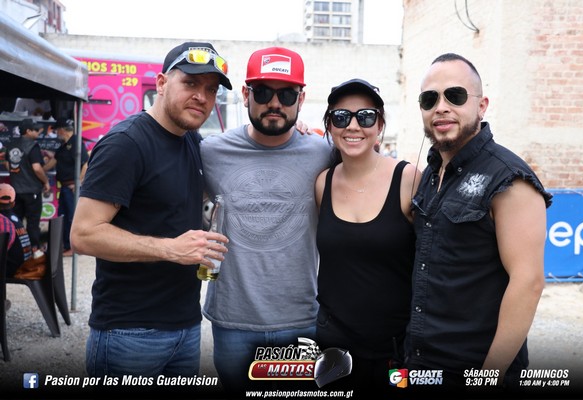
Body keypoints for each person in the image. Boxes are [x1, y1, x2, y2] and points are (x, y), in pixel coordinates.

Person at [70, 42, 231, 379]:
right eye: (190, 83)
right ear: (161, 83)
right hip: (129, 332)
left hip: (186, 326)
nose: (202, 97)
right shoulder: (126, 143)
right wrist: (170, 249)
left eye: (211, 89)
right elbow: (83, 235)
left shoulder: (191, 140)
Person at [405, 53, 553, 393]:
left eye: (455, 95)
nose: (441, 107)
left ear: (481, 105)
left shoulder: (509, 178)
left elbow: (528, 283)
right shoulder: (430, 174)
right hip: (421, 365)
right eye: (429, 99)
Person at [200, 46, 332, 395]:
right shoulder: (211, 151)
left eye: (286, 94)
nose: (275, 103)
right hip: (233, 321)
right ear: (245, 95)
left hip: (301, 320)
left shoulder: (322, 151)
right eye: (263, 92)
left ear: (301, 99)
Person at [314, 78, 421, 397]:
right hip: (335, 348)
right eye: (341, 117)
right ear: (330, 126)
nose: (353, 126)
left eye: (366, 116)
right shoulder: (323, 183)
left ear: (380, 125)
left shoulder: (408, 178)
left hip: (395, 350)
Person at [43, 118, 88, 257]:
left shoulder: (76, 142)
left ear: (62, 130)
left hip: (72, 187)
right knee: (63, 215)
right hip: (64, 187)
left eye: (57, 130)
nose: (56, 133)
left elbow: (85, 165)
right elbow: (53, 162)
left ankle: (73, 247)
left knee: (71, 217)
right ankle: (66, 244)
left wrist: (79, 182)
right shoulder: (64, 146)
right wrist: (37, 169)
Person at [4, 118, 51, 252]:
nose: (38, 132)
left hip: (16, 190)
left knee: (16, 220)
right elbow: (37, 168)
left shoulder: (11, 144)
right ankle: (34, 249)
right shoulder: (33, 146)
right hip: (31, 190)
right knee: (32, 221)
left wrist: (18, 175)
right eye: (35, 130)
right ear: (28, 131)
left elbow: (7, 164)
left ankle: (15, 248)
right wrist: (46, 181)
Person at [0, 183, 33, 278]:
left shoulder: (3, 221)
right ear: (13, 203)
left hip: (11, 269)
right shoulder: (15, 219)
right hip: (25, 264)